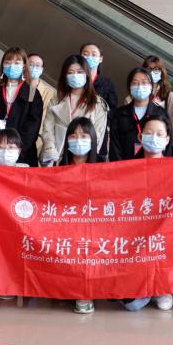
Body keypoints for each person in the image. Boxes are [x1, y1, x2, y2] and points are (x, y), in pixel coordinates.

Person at [120, 115, 173, 312]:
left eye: (159, 134)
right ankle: (143, 286)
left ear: (167, 139)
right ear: (140, 136)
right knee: (132, 304)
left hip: (164, 233)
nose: (154, 137)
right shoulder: (127, 168)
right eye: (149, 133)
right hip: (134, 235)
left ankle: (163, 288)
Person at [58, 118, 103, 313]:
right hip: (65, 225)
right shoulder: (58, 168)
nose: (78, 140)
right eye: (73, 135)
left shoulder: (104, 167)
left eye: (84, 136)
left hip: (94, 226)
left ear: (93, 139)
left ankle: (85, 292)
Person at [0, 47, 44, 166]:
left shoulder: (33, 93)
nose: (12, 66)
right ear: (3, 66)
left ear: (24, 66)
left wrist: (14, 148)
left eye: (17, 63)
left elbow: (33, 126)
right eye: (8, 62)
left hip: (23, 155)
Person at [40, 55, 108, 165]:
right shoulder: (56, 101)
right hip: (56, 159)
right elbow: (48, 129)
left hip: (85, 161)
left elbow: (97, 136)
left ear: (87, 74)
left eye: (79, 72)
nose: (75, 75)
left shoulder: (98, 104)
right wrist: (51, 151)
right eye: (70, 72)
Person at [108, 68, 171, 161]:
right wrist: (121, 167)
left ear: (151, 87)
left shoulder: (160, 113)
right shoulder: (120, 114)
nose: (140, 86)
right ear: (129, 87)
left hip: (154, 166)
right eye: (135, 83)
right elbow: (114, 148)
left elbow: (167, 147)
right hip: (125, 167)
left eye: (144, 82)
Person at [141, 55, 173, 144]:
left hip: (160, 143)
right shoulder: (137, 93)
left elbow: (172, 126)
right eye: (149, 69)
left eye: (156, 69)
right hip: (140, 140)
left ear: (161, 72)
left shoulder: (169, 96)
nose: (152, 72)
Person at [27, 52, 57, 158]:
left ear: (42, 69)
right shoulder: (16, 88)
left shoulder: (50, 93)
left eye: (37, 65)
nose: (34, 68)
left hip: (38, 141)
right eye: (30, 64)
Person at [80, 42, 118, 113]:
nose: (89, 57)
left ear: (100, 59)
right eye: (85, 54)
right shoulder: (73, 79)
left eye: (94, 55)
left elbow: (112, 111)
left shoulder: (107, 85)